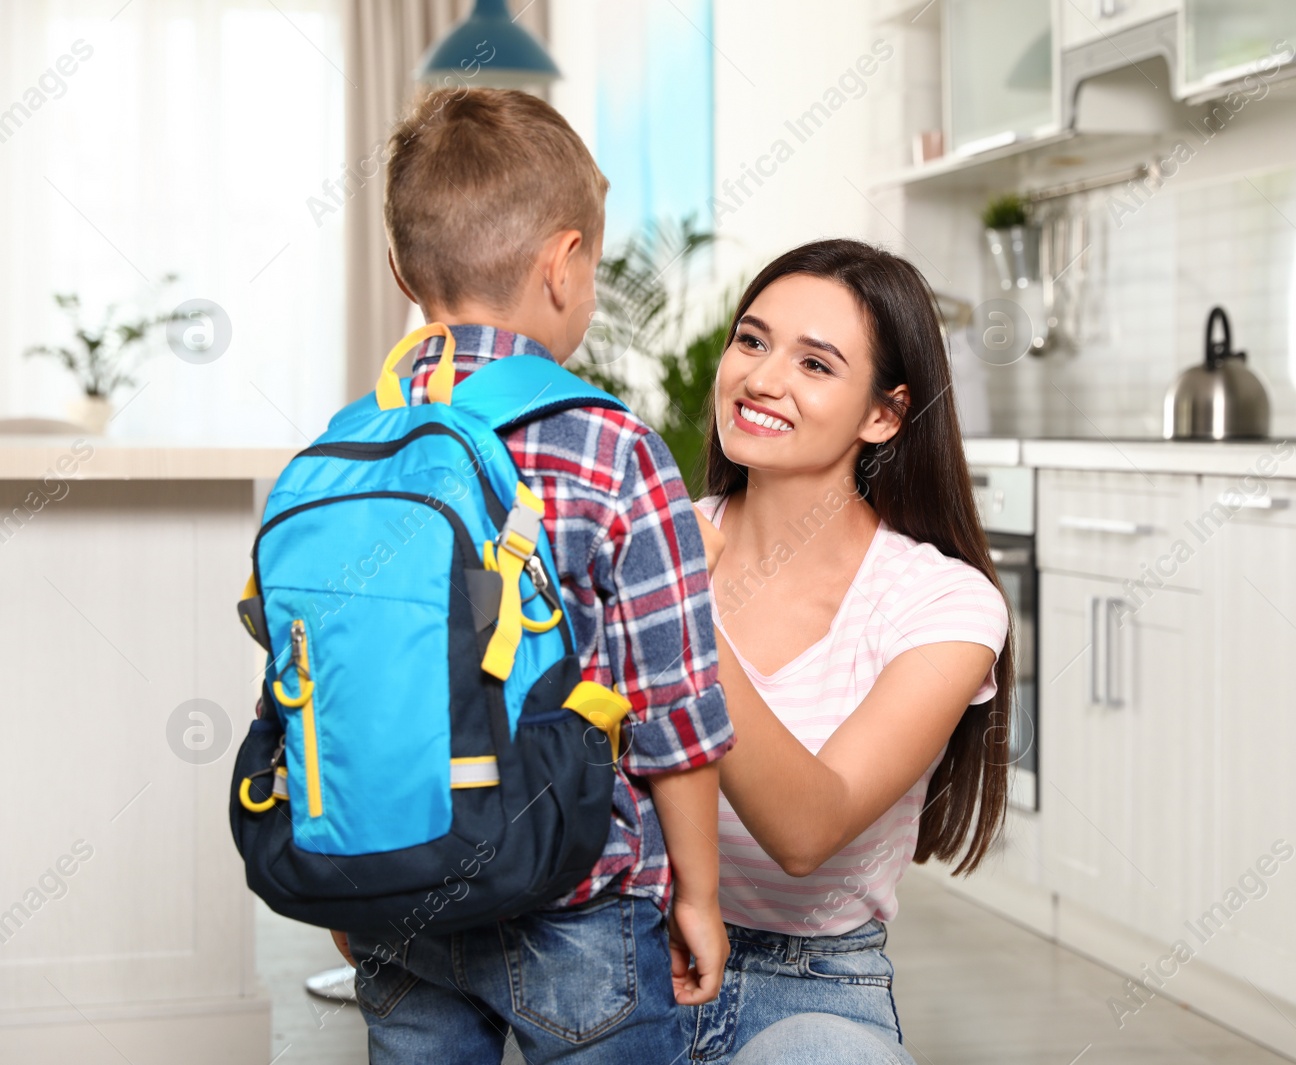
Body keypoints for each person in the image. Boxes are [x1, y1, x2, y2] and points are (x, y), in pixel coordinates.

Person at [334, 87, 734, 1064]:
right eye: (592, 270)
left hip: (396, 884)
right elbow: (672, 711)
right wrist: (701, 895)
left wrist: (344, 873)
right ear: (563, 266)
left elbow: (331, 684)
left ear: (399, 268)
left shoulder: (348, 450)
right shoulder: (613, 450)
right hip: (578, 904)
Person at [682, 239, 1016, 1064]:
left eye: (815, 364)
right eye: (752, 341)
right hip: (624, 961)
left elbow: (806, 829)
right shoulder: (653, 536)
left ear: (884, 414)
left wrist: (674, 610)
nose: (762, 378)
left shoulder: (943, 603)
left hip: (812, 986)